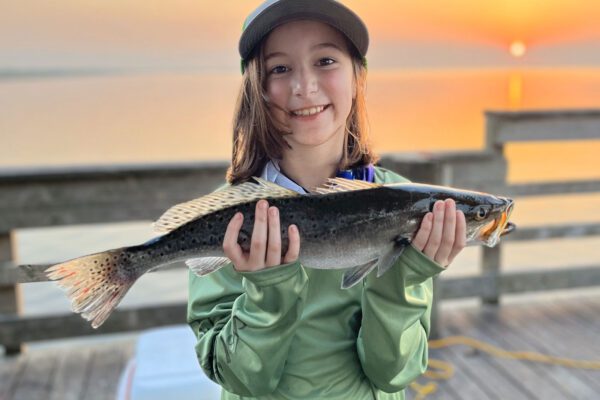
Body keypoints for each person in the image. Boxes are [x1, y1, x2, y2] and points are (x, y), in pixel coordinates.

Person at [187, 1, 466, 399]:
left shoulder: (406, 203)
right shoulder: (226, 215)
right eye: (280, 69)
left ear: (358, 77)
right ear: (258, 89)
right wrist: (266, 290)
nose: (305, 86)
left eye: (326, 60)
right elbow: (240, 380)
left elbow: (394, 373)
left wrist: (405, 277)